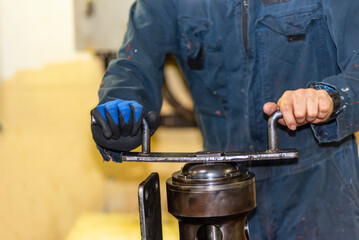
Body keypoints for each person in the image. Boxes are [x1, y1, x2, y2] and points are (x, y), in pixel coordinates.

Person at [90, 0, 359, 238]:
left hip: (321, 193)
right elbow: (135, 61)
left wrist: (331, 97)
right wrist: (120, 101)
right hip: (217, 199)